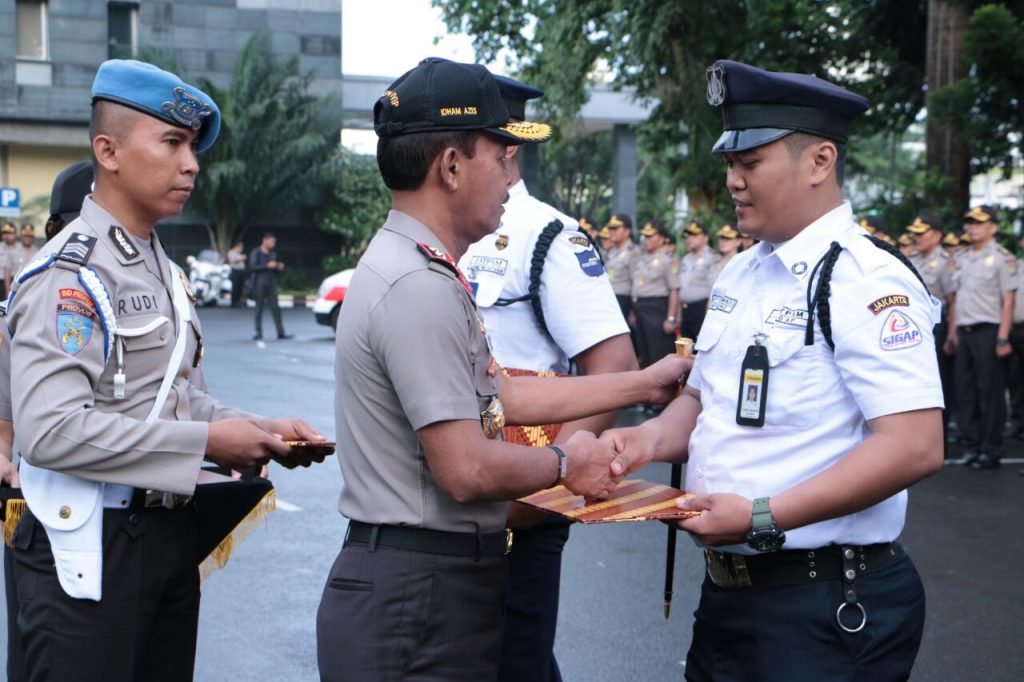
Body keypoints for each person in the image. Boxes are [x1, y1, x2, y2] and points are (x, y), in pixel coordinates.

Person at [317, 57, 688, 682]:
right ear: (453, 166)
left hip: (429, 576)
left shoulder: (421, 266)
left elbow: (498, 393)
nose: (509, 179)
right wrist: (569, 466)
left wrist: (645, 382)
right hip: (420, 585)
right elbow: (465, 467)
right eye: (500, 155)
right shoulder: (418, 284)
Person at [602, 59, 943, 681]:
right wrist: (643, 440)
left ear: (820, 161)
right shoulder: (743, 270)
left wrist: (762, 517)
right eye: (730, 163)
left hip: (823, 605)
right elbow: (703, 400)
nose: (732, 180)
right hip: (733, 599)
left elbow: (915, 446)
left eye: (750, 164)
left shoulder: (863, 279)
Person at [6, 59, 327, 682]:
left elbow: (177, 400)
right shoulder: (70, 274)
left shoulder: (162, 270)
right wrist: (210, 442)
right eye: (173, 143)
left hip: (165, 536)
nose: (192, 164)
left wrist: (256, 427)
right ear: (109, 151)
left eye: (192, 147)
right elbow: (48, 431)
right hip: (89, 548)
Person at [459, 74, 637, 682]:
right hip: (450, 481)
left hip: (522, 487)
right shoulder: (443, 231)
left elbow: (615, 367)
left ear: (505, 149)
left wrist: (551, 485)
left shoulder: (550, 237)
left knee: (515, 659)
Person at [946, 205, 1016, 470]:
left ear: (992, 227)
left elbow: (1007, 301)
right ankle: (972, 446)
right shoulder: (963, 258)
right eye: (969, 222)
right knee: (966, 392)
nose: (972, 227)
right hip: (964, 332)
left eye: (978, 223)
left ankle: (990, 449)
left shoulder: (1002, 258)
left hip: (988, 331)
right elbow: (955, 299)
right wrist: (952, 333)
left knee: (990, 394)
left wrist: (1002, 338)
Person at [907, 213, 957, 451]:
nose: (916, 237)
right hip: (914, 327)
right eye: (914, 233)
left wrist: (952, 333)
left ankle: (939, 441)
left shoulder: (946, 262)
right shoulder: (911, 259)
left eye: (921, 233)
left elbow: (953, 300)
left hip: (938, 326)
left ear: (937, 235)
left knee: (937, 385)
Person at [632, 219, 681, 376]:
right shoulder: (642, 258)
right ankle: (647, 397)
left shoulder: (668, 259)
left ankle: (663, 397)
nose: (646, 240)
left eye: (650, 236)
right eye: (645, 237)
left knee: (658, 354)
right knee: (643, 353)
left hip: (657, 309)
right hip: (641, 309)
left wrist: (671, 318)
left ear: (661, 238)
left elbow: (674, 290)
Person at [677, 220, 721, 341]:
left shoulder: (713, 257)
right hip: (685, 310)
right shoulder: (686, 258)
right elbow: (682, 287)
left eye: (694, 235)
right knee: (684, 350)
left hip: (702, 310)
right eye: (688, 236)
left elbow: (715, 289)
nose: (690, 239)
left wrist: (710, 315)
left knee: (699, 350)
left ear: (705, 238)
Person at [248, 232, 291, 340]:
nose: (273, 244)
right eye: (271, 241)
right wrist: (266, 265)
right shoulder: (256, 252)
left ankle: (280, 332)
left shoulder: (273, 254)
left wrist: (278, 266)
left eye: (274, 242)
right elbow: (252, 267)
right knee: (259, 308)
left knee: (276, 308)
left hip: (271, 283)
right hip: (259, 283)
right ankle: (258, 332)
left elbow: (275, 269)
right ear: (265, 240)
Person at [603, 213, 639, 334]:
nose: (611, 232)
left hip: (624, 301)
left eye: (615, 228)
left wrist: (634, 310)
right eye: (610, 228)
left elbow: (636, 282)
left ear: (627, 231)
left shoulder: (633, 252)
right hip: (610, 300)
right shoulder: (611, 251)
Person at [227, 241, 247, 307]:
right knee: (235, 286)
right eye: (241, 247)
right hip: (235, 271)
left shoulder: (239, 253)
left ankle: (238, 300)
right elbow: (232, 261)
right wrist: (240, 258)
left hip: (241, 271)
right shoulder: (231, 252)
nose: (242, 249)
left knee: (240, 286)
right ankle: (233, 301)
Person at [0, 223, 16, 298]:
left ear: (15, 234)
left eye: (9, 233)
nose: (6, 236)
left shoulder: (20, 249)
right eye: (4, 233)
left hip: (14, 283)